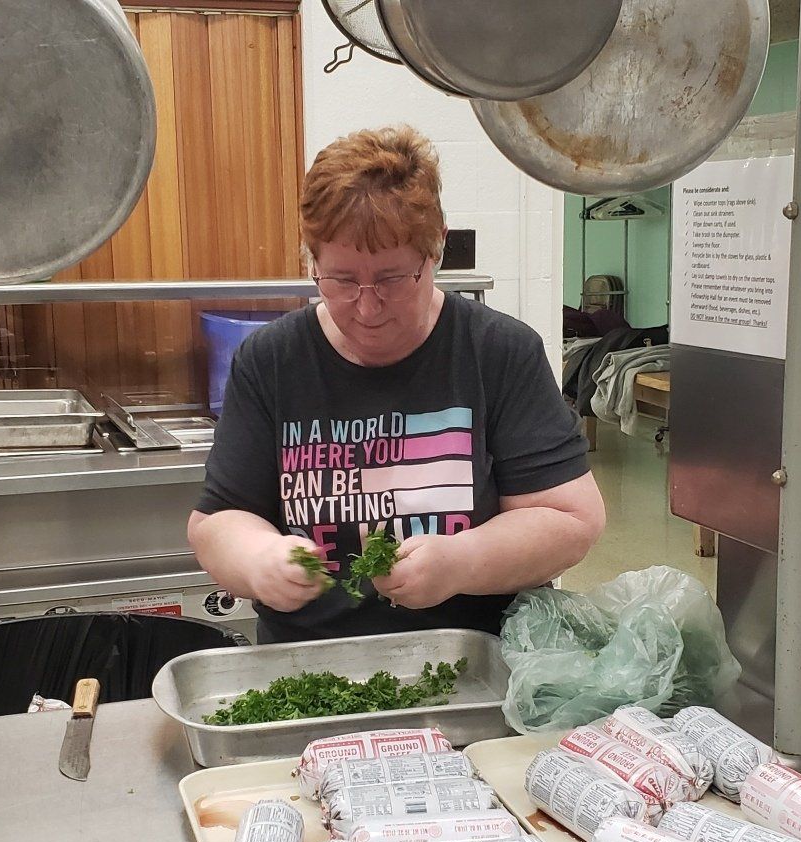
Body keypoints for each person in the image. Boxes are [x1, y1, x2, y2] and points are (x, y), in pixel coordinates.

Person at [188, 125, 604, 644]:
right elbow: (218, 521)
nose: (366, 307)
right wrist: (256, 560)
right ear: (311, 259)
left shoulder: (496, 353)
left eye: (391, 279)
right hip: (308, 666)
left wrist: (461, 562)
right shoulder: (272, 360)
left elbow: (571, 520)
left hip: (471, 658)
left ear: (436, 251)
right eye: (341, 280)